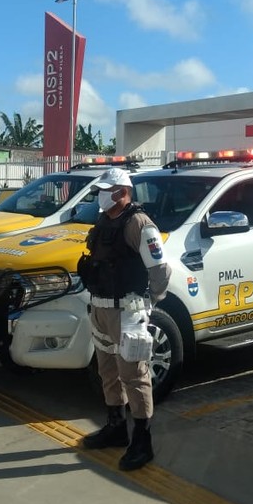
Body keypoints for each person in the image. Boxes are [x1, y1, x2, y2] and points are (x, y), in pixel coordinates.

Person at [78, 167, 171, 471]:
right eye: (101, 191)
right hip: (101, 307)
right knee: (107, 370)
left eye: (108, 191)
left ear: (123, 192)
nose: (102, 196)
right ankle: (116, 426)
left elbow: (160, 269)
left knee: (134, 375)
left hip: (128, 311)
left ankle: (142, 441)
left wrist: (150, 300)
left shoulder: (138, 224)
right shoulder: (105, 220)